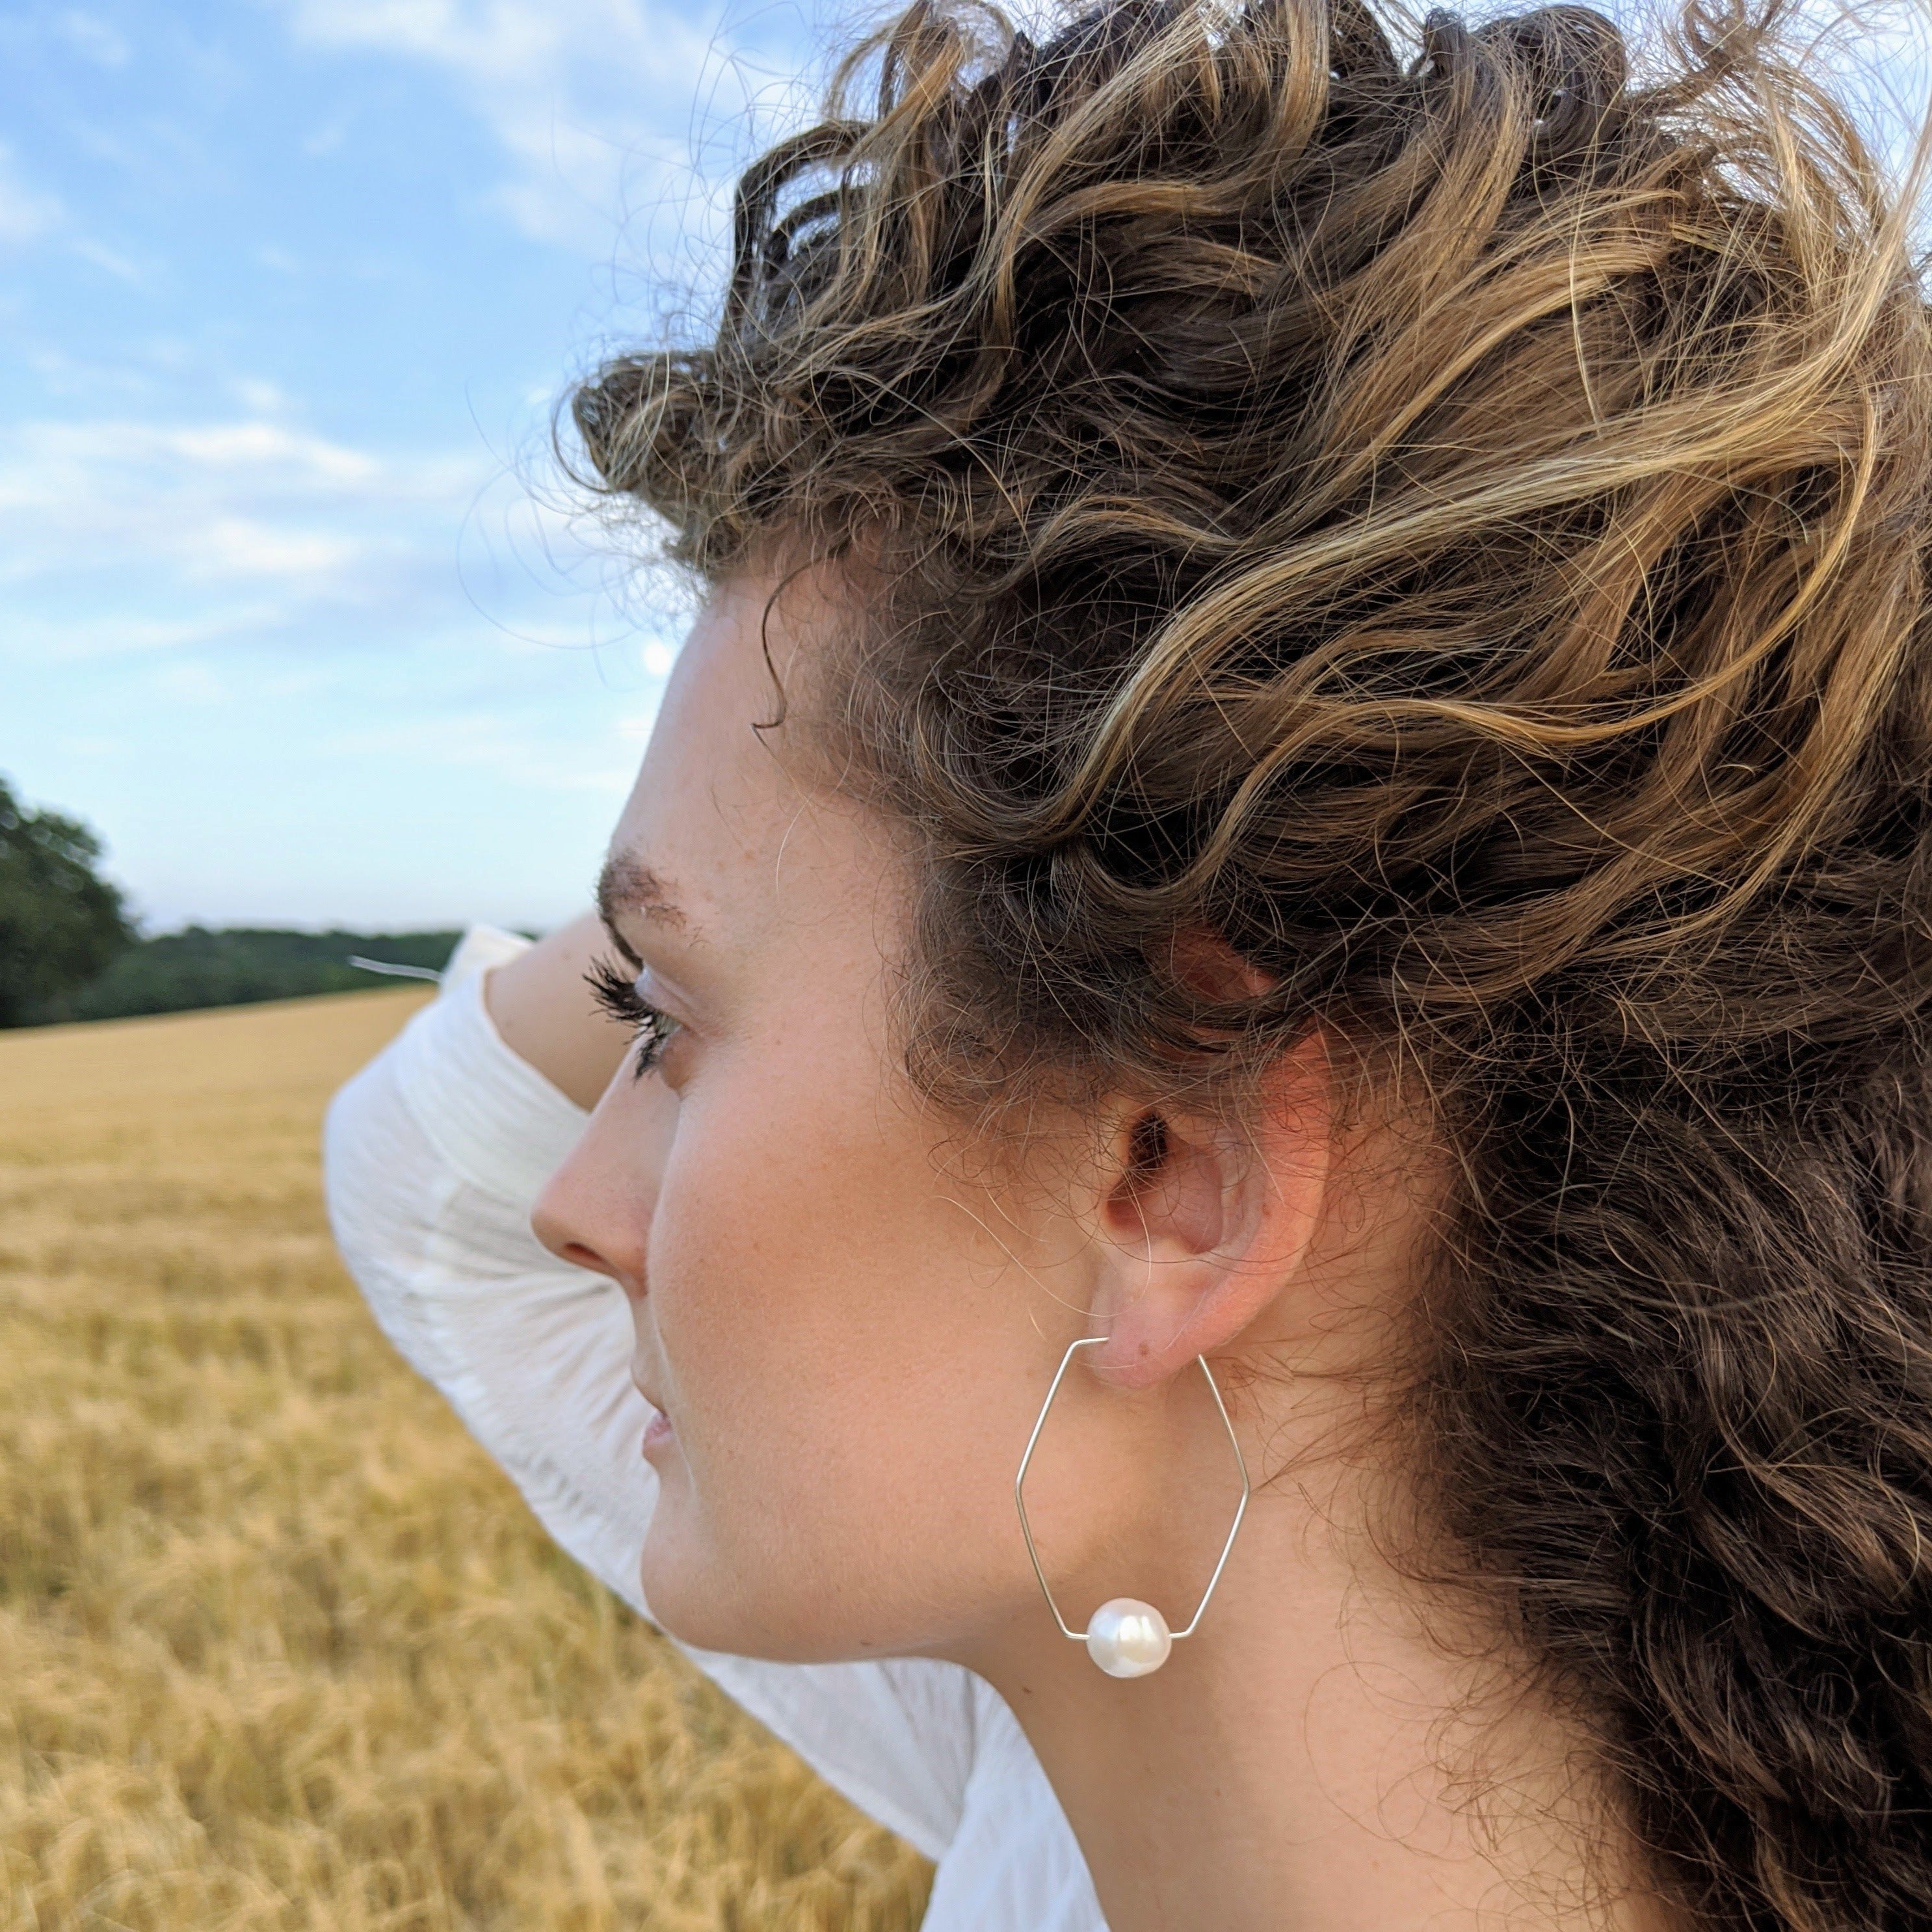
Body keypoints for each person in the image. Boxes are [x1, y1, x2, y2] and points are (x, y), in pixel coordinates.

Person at [323, 0, 1932, 1925]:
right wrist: (1018, 816)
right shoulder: (1089, 1730)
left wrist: (1012, 800)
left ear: (1169, 1173)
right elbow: (438, 1192)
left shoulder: (1073, 1730)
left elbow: (439, 1196)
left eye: (657, 1025)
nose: (580, 1204)